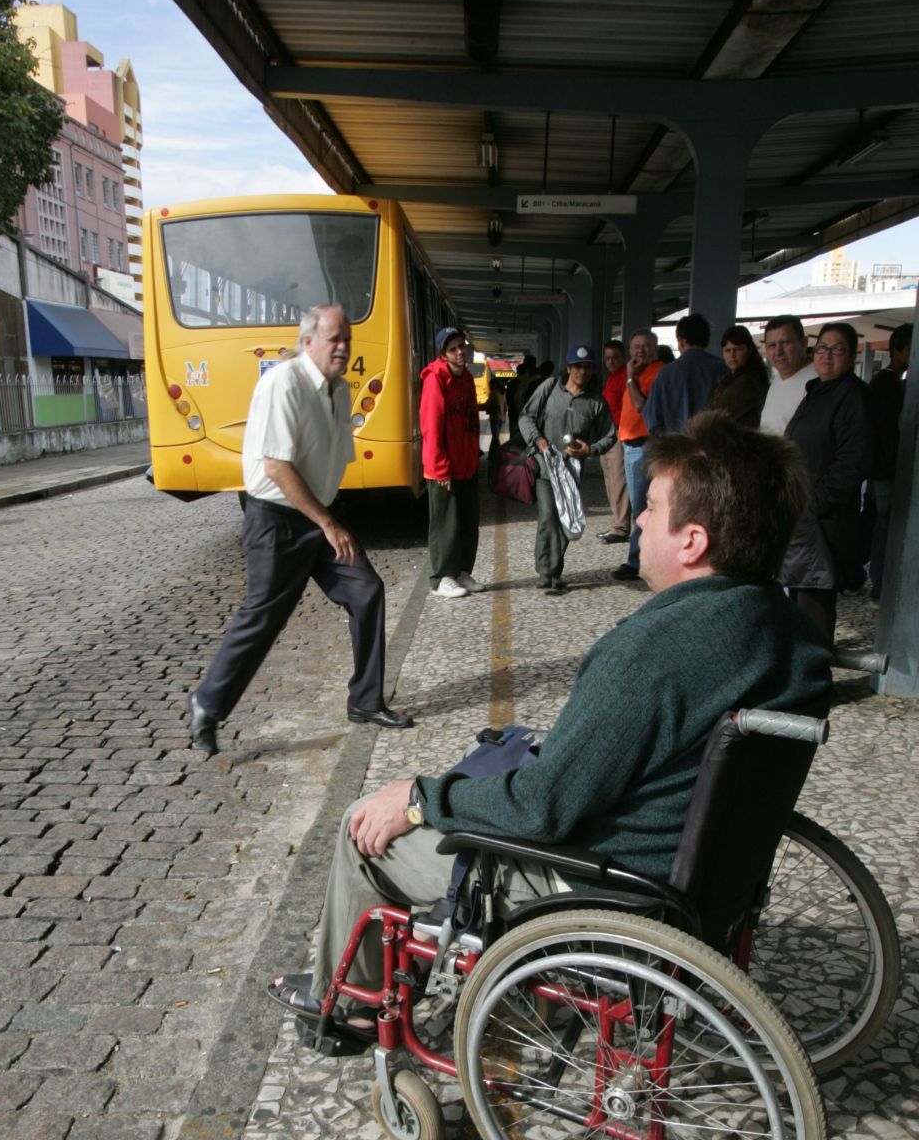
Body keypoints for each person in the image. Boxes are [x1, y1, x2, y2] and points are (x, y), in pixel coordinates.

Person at [269, 412, 831, 1020]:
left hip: (607, 888)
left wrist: (418, 797)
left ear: (692, 541)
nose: (637, 518)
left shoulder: (654, 652)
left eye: (652, 506)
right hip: (702, 880)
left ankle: (344, 1004)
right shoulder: (793, 635)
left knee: (361, 827)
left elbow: (542, 807)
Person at [186, 304, 412, 755]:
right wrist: (328, 522)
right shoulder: (282, 383)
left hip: (318, 514)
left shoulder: (340, 390)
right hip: (276, 520)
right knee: (263, 618)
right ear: (307, 342)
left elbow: (332, 461)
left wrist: (331, 516)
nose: (343, 348)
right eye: (334, 339)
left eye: (347, 339)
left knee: (366, 592)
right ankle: (207, 706)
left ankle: (365, 700)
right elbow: (276, 466)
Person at [779, 321, 875, 647]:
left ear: (851, 356)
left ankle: (814, 680)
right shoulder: (817, 391)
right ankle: (800, 675)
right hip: (804, 515)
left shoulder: (853, 396)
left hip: (825, 519)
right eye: (822, 347)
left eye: (837, 349)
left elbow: (852, 463)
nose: (827, 355)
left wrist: (814, 503)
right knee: (798, 597)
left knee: (814, 605)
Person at [518, 344, 614, 592]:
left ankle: (555, 570)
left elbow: (610, 435)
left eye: (588, 367)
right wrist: (537, 440)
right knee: (548, 516)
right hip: (546, 467)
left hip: (572, 471)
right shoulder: (549, 388)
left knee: (565, 519)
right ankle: (546, 571)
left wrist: (589, 450)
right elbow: (525, 416)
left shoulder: (596, 402)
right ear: (569, 368)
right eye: (578, 367)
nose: (583, 371)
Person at [420, 326, 482, 599]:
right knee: (446, 524)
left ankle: (461, 572)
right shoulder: (435, 380)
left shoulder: (467, 378)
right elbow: (432, 428)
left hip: (466, 464)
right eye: (453, 348)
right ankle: (442, 577)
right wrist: (439, 467)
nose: (460, 352)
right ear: (443, 354)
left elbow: (471, 421)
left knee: (468, 521)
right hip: (444, 468)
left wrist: (475, 457)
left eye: (462, 346)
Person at [612, 328, 664, 581]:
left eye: (645, 346)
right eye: (635, 347)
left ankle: (637, 562)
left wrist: (631, 379)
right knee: (640, 506)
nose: (639, 351)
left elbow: (641, 405)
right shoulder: (635, 373)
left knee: (642, 508)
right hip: (630, 445)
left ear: (655, 348)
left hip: (644, 446)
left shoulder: (657, 372)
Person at [866, 323, 911, 600]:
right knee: (885, 527)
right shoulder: (889, 385)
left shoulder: (885, 383)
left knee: (876, 524)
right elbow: (888, 430)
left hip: (878, 469)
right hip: (885, 469)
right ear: (896, 351)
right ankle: (880, 584)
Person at [643, 312, 725, 437]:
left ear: (681, 340)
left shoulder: (666, 373)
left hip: (676, 449)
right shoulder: (723, 369)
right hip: (713, 447)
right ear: (706, 339)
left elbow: (653, 421)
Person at [598, 338, 631, 545]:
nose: (610, 362)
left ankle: (621, 528)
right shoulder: (611, 378)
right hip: (607, 435)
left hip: (619, 433)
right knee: (610, 481)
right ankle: (616, 523)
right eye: (607, 358)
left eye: (615, 358)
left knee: (618, 482)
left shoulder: (625, 378)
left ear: (623, 357)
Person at [760, 315, 816, 435]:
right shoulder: (777, 380)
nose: (778, 352)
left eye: (785, 343)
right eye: (772, 345)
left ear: (803, 343)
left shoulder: (817, 382)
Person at [708, 325, 771, 429]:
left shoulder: (746, 383)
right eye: (727, 350)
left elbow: (718, 420)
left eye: (738, 349)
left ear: (749, 350)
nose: (732, 355)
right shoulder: (734, 378)